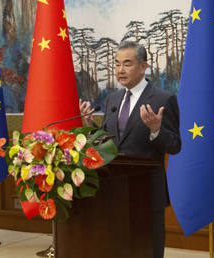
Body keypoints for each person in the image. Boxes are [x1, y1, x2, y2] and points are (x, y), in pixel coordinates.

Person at [79, 41, 181, 258]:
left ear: (143, 67)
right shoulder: (112, 99)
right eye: (116, 64)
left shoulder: (163, 99)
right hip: (114, 190)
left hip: (147, 192)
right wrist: (89, 125)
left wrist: (156, 129)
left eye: (127, 64)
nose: (120, 70)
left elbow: (175, 145)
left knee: (147, 249)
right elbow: (107, 144)